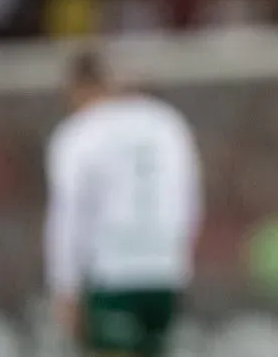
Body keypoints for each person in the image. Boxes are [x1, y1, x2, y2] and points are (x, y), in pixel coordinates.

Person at [44, 50, 203, 357]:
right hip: (165, 271)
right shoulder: (167, 122)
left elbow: (66, 215)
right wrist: (180, 258)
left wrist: (64, 285)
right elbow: (190, 199)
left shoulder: (80, 132)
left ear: (79, 88)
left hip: (112, 272)